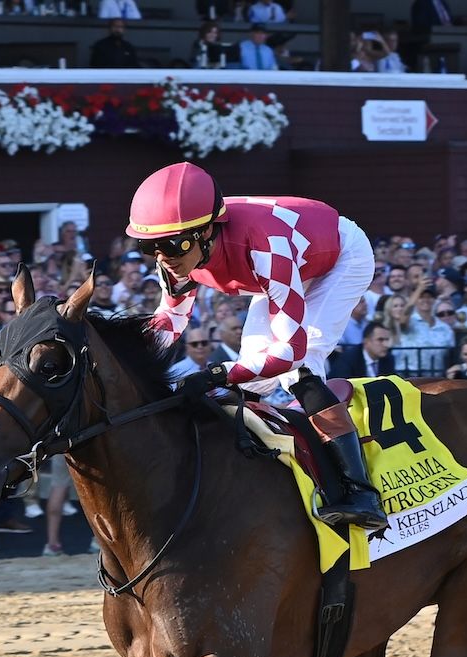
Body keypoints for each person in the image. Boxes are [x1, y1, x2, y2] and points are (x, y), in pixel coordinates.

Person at [128, 161, 387, 529]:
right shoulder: (175, 254)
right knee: (250, 375)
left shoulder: (265, 245)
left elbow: (290, 351)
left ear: (204, 233)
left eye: (171, 245)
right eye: (148, 247)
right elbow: (170, 320)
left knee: (302, 366)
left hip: (339, 258)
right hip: (286, 262)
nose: (162, 257)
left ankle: (360, 494)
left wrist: (215, 373)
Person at [328, 321, 396, 379]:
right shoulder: (349, 358)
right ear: (366, 341)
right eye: (380, 340)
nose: (386, 344)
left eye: (387, 340)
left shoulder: (388, 359)